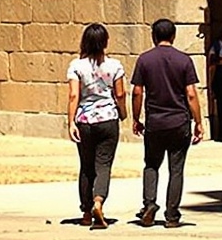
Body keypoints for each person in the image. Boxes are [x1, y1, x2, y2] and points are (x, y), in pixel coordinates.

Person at [130, 18, 205, 227]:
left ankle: (149, 204)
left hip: (155, 122)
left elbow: (137, 92)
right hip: (179, 122)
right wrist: (198, 122)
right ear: (173, 36)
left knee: (151, 165)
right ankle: (172, 215)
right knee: (176, 169)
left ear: (154, 36)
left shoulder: (144, 60)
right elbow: (191, 94)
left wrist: (136, 118)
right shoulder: (184, 60)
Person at [63, 23, 127, 227]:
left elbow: (74, 95)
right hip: (108, 119)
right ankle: (98, 201)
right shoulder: (115, 66)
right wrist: (123, 112)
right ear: (105, 42)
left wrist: (71, 122)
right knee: (104, 165)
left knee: (86, 166)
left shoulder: (76, 66)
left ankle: (86, 212)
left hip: (85, 120)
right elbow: (120, 93)